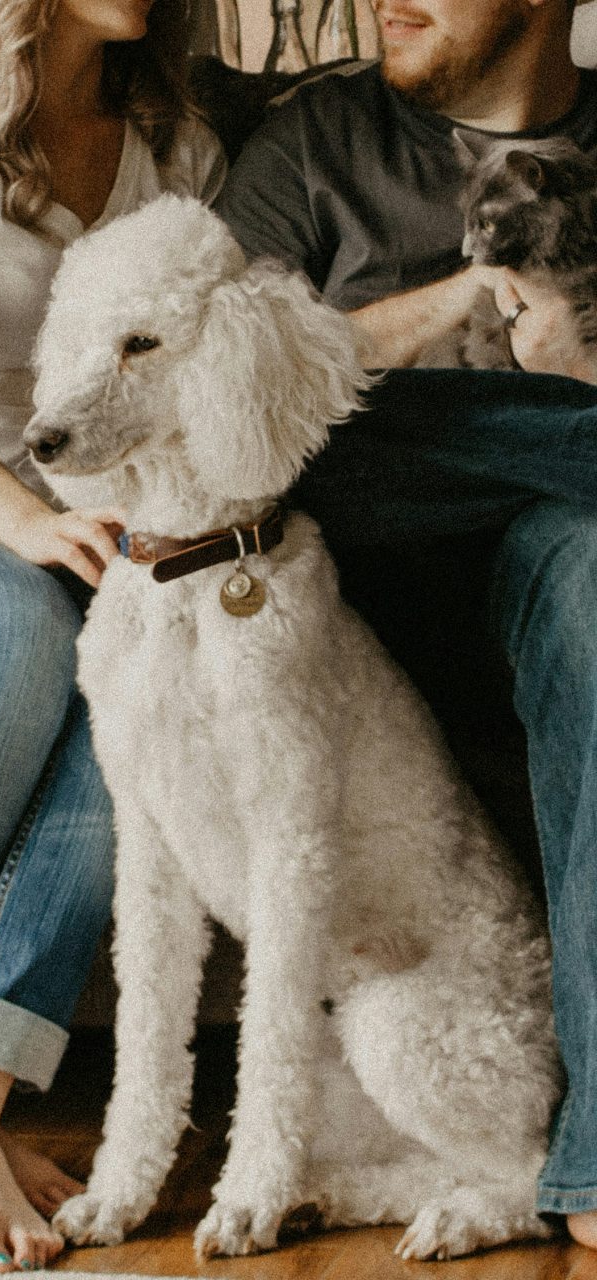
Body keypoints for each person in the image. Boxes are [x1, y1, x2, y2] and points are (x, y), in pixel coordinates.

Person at [216, 0, 597, 1253]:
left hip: (548, 562)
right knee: (325, 437)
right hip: (362, 566)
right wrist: (455, 304)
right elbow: (236, 392)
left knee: (592, 575)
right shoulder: (316, 141)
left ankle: (589, 1163)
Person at [0, 0, 224, 1271]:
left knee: (141, 673)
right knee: (22, 628)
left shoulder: (172, 144)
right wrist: (23, 519)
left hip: (78, 511)